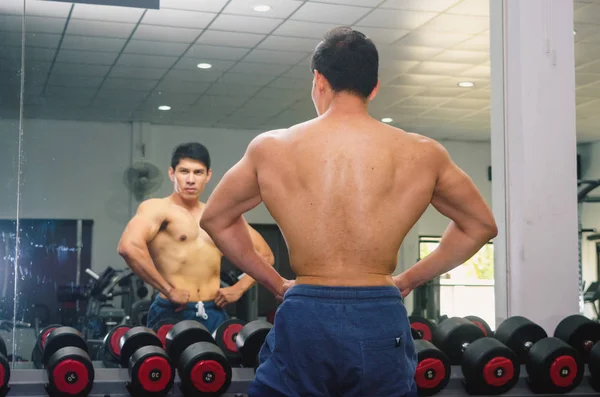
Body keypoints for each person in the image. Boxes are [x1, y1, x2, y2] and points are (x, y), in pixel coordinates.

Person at [200, 27, 498, 397]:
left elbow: (215, 219)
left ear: (318, 80)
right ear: (374, 87)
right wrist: (407, 280)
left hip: (306, 309)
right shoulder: (423, 153)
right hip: (380, 310)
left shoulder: (271, 148)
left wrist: (276, 283)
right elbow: (481, 225)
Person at [117, 142, 274, 334]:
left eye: (198, 172)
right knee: (164, 364)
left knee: (216, 364)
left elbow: (265, 255)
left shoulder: (218, 215)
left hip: (214, 312)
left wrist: (239, 288)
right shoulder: (157, 209)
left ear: (208, 175)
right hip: (171, 311)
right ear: (171, 173)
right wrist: (168, 290)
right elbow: (128, 247)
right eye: (184, 171)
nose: (190, 179)